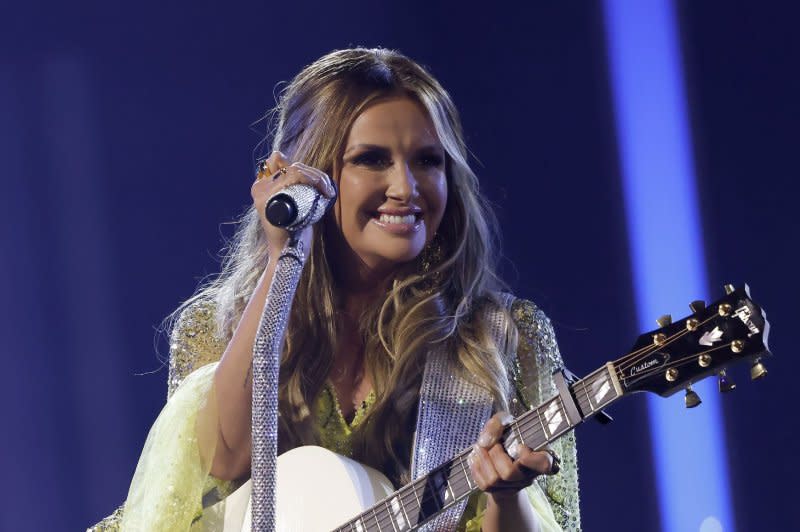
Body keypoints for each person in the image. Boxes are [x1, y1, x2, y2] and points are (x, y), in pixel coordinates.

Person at [90, 47, 580, 531]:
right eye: (372, 159)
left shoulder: (495, 338)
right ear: (311, 171)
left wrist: (506, 496)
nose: (406, 188)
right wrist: (286, 255)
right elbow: (227, 459)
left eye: (428, 161)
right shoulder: (215, 327)